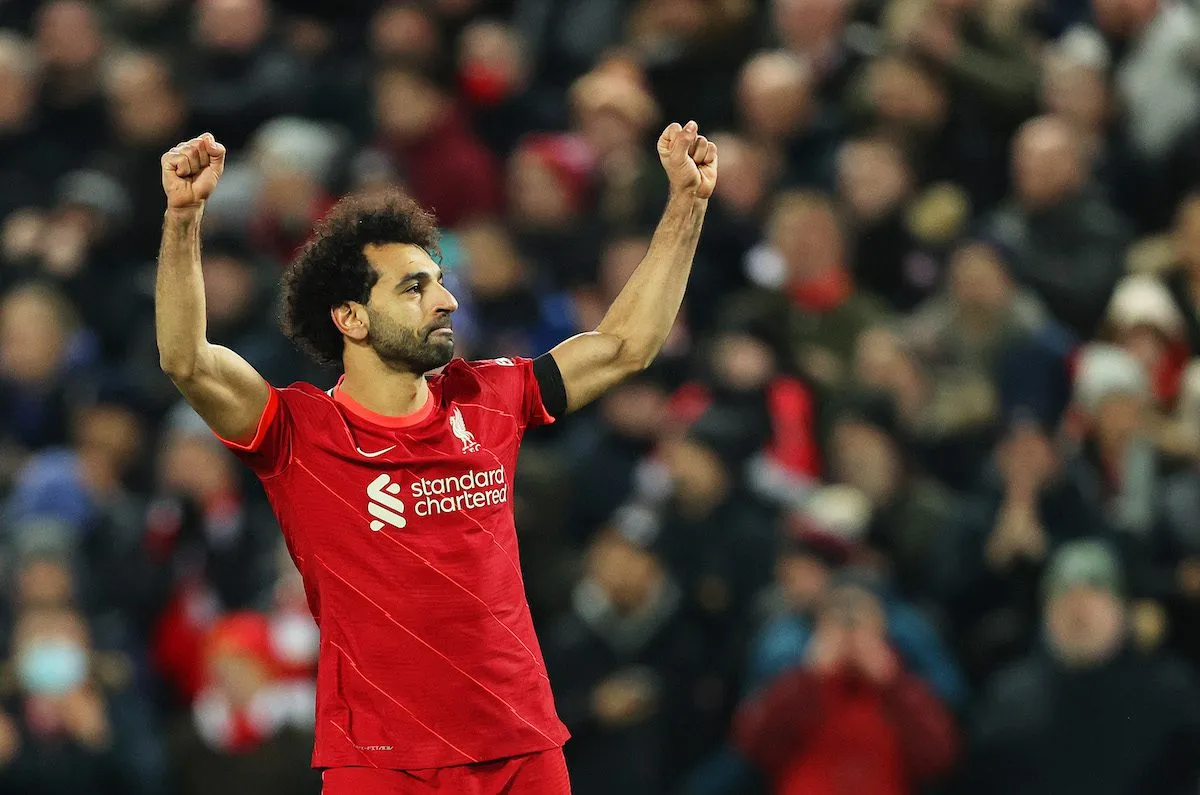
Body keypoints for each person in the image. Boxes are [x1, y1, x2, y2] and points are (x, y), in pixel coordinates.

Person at [153, 120, 717, 795]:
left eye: (440, 280)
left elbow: (628, 344)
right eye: (414, 287)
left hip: (523, 748)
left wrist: (687, 204)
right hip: (384, 765)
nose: (446, 299)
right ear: (352, 319)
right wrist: (183, 220)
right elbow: (187, 360)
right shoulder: (298, 431)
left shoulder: (491, 396)